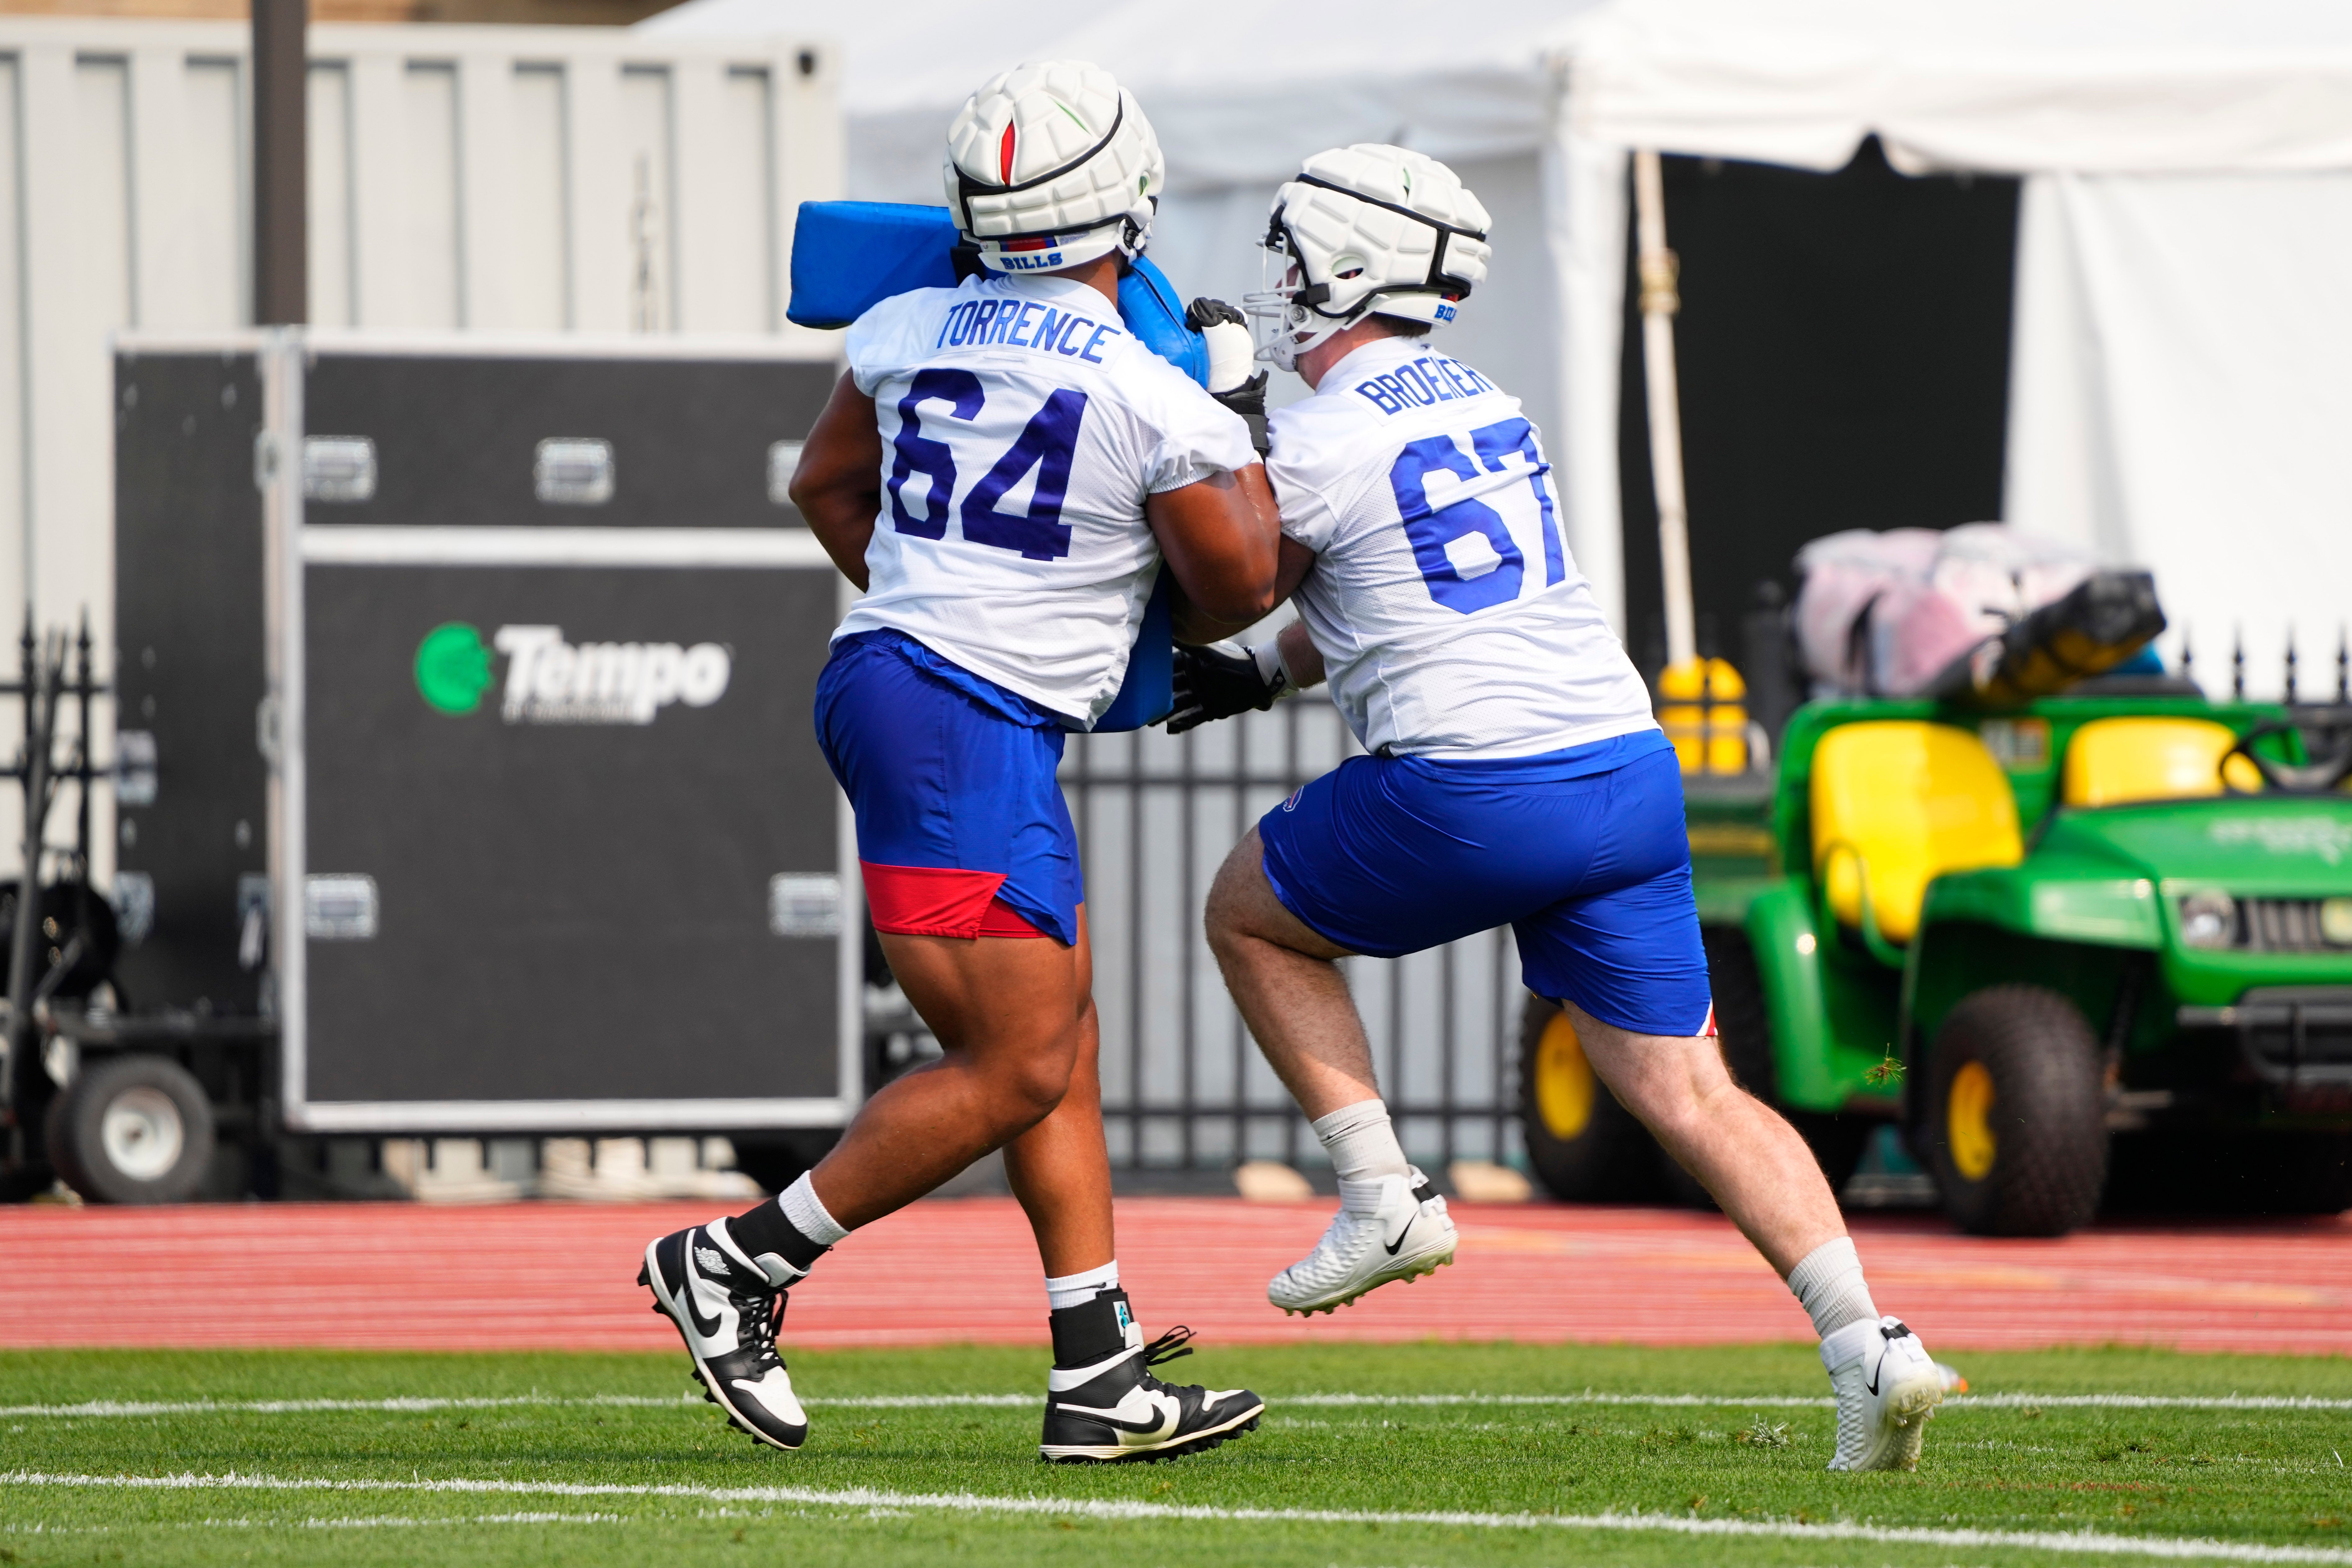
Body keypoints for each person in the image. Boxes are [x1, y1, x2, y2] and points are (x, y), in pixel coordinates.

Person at [1175, 145, 1944, 1473]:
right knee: (1689, 1088)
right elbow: (1381, 592)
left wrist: (1228, 417)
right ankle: (1869, 1344)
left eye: (1298, 256)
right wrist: (1258, 674)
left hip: (1476, 782)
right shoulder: (1484, 397)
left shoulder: (1319, 430)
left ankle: (1380, 1194)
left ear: (1350, 267)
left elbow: (1236, 577)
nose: (1284, 282)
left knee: (1247, 917)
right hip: (1624, 772)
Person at [639, 60, 1281, 1464]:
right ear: (1133, 202)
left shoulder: (904, 321)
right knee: (1015, 1060)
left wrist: (940, 599)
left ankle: (1097, 1368)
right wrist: (1240, 420)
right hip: (958, 719)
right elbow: (1237, 589)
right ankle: (739, 1260)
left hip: (900, 680)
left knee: (1059, 1043)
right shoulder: (1143, 383)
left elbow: (822, 482)